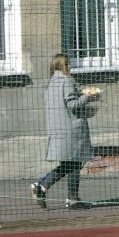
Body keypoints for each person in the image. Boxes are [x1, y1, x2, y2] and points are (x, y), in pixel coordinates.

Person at [31, 53, 100, 210]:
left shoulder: (51, 84)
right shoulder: (66, 81)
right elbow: (72, 105)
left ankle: (47, 188)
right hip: (71, 130)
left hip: (57, 129)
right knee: (74, 162)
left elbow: (63, 103)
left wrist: (80, 95)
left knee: (70, 164)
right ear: (62, 66)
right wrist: (88, 96)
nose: (70, 66)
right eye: (67, 64)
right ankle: (60, 193)